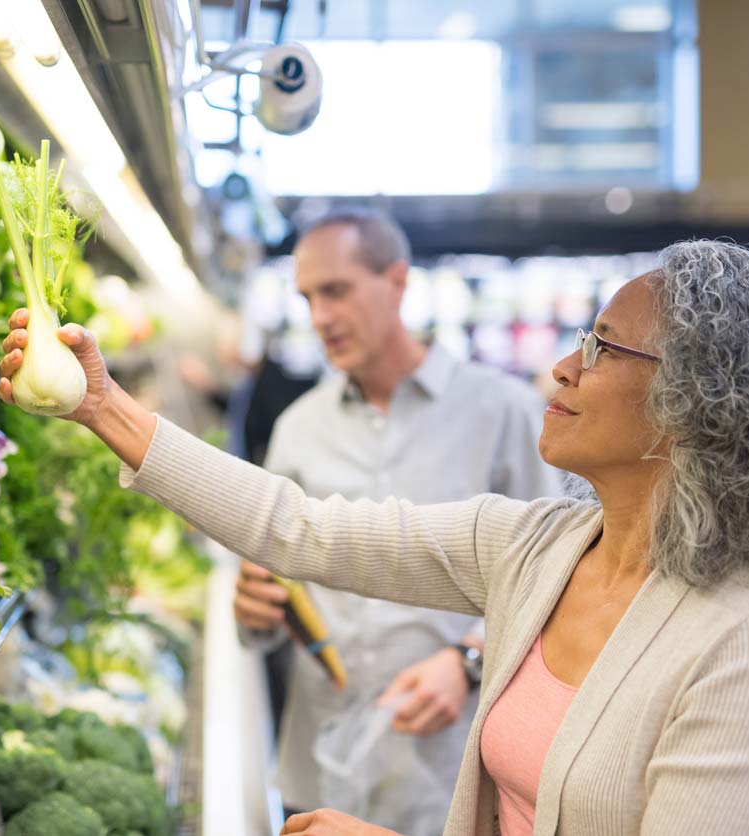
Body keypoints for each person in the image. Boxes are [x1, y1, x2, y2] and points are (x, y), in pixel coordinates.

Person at [0, 239, 749, 836]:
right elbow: (301, 528)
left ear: (697, 403)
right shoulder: (539, 549)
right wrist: (103, 407)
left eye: (604, 346)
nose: (563, 364)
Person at [232, 208, 558, 834]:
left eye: (337, 290)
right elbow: (270, 591)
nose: (320, 318)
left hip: (451, 774)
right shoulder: (298, 428)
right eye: (307, 297)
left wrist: (469, 660)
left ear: (398, 282)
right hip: (323, 767)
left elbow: (559, 587)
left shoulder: (504, 412)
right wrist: (254, 613)